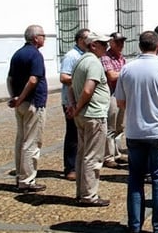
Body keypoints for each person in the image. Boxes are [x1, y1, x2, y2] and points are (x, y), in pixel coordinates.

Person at [115, 30, 158, 233]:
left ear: (140, 46)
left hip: (135, 131)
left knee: (135, 179)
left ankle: (134, 225)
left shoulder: (127, 69)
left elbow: (120, 102)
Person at [71, 33, 112, 207]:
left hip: (83, 114)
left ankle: (82, 192)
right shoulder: (94, 63)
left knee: (82, 154)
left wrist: (74, 107)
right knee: (93, 156)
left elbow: (70, 87)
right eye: (103, 44)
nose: (106, 47)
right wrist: (77, 107)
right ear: (93, 45)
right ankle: (89, 195)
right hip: (94, 114)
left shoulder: (80, 61)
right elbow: (88, 90)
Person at [7, 24, 48, 193]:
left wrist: (15, 98)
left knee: (21, 140)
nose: (44, 38)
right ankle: (27, 180)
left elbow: (9, 79)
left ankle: (20, 176)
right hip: (33, 103)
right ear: (36, 38)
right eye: (43, 35)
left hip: (21, 104)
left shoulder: (17, 54)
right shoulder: (35, 55)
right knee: (31, 142)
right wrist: (22, 97)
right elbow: (33, 80)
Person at [59, 28, 89, 181]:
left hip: (81, 99)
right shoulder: (72, 56)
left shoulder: (85, 55)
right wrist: (82, 79)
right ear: (80, 40)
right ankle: (70, 168)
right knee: (72, 135)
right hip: (70, 101)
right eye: (88, 38)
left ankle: (80, 165)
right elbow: (64, 77)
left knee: (81, 135)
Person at [102, 31, 127, 168]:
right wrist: (126, 72)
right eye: (118, 42)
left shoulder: (121, 58)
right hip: (111, 94)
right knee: (110, 127)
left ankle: (116, 153)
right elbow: (111, 76)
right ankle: (108, 156)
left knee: (120, 127)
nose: (121, 44)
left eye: (122, 42)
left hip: (121, 93)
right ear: (111, 43)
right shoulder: (106, 57)